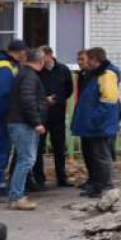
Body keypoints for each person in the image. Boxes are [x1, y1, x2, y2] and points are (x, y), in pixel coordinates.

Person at [72, 47, 120, 197]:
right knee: (93, 155)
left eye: (89, 59)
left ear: (95, 60)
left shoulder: (107, 75)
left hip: (100, 125)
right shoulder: (95, 74)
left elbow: (109, 101)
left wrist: (94, 119)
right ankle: (97, 184)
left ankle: (106, 186)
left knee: (101, 156)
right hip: (93, 124)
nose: (86, 62)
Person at [6, 47, 46, 210]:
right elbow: (27, 100)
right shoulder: (30, 76)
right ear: (41, 61)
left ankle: (17, 195)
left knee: (24, 159)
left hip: (20, 122)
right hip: (24, 123)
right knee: (26, 160)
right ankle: (17, 197)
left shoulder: (23, 73)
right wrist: (36, 122)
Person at [34, 46, 74, 189]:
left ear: (50, 55)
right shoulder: (37, 71)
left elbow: (69, 89)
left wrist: (59, 100)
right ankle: (39, 179)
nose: (39, 59)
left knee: (59, 147)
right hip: (41, 115)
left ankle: (62, 178)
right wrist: (44, 100)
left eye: (42, 56)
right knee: (39, 147)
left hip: (58, 114)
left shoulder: (63, 70)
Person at [0, 39, 21, 194]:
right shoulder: (6, 66)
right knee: (2, 148)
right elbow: (4, 93)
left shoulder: (7, 64)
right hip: (3, 115)